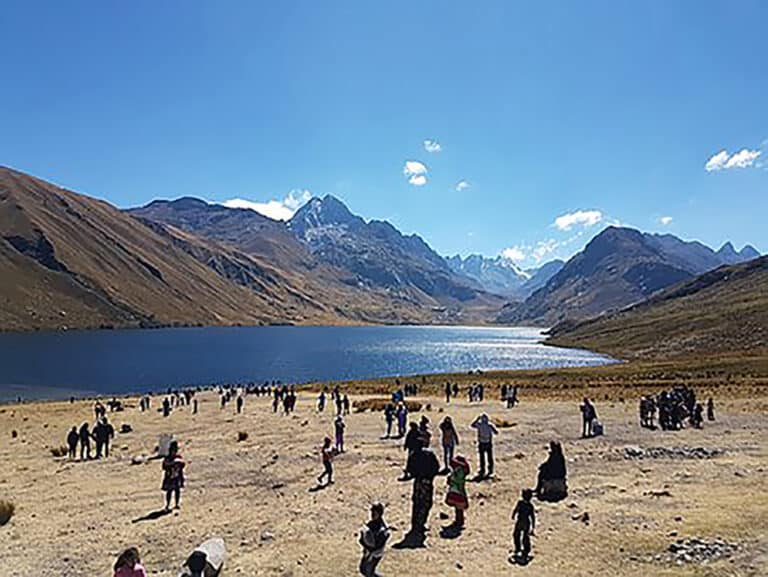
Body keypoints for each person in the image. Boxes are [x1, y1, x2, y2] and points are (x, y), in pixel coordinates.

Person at [405, 442, 440, 542]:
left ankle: (416, 525)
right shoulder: (429, 454)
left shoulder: (413, 455)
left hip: (418, 482)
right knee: (426, 504)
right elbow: (436, 467)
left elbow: (409, 469)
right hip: (427, 482)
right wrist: (430, 477)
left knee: (417, 504)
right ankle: (421, 524)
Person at [359, 503, 389, 577]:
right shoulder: (371, 524)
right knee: (363, 569)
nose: (372, 514)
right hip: (368, 552)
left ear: (379, 514)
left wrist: (370, 552)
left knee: (368, 571)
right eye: (371, 512)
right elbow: (361, 539)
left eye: (374, 513)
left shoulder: (382, 529)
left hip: (375, 554)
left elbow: (379, 544)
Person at [445, 455, 470, 529]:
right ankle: (459, 520)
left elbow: (459, 480)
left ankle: (459, 521)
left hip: (458, 490)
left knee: (459, 508)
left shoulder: (459, 471)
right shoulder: (459, 470)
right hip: (458, 490)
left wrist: (451, 479)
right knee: (458, 508)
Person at [471, 413, 498, 478]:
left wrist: (477, 419)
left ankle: (482, 470)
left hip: (482, 443)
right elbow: (496, 432)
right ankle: (490, 470)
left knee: (482, 458)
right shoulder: (490, 425)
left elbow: (472, 425)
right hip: (488, 443)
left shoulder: (479, 425)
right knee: (489, 458)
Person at [512, 489, 536, 562]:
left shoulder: (520, 503)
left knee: (516, 535)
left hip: (520, 521)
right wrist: (533, 526)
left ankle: (518, 548)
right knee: (525, 537)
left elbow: (516, 509)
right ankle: (526, 549)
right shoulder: (530, 506)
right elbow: (532, 517)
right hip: (526, 522)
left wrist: (513, 515)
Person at [162, 440, 186, 510]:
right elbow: (164, 466)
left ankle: (177, 504)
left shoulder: (178, 457)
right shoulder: (167, 458)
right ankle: (168, 505)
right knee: (169, 492)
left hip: (177, 477)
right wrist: (172, 463)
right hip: (170, 477)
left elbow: (183, 464)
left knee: (177, 491)